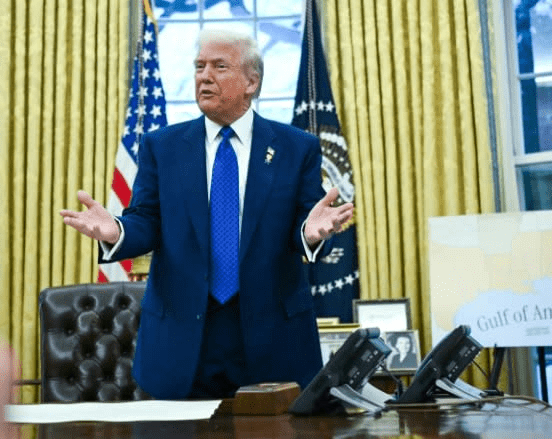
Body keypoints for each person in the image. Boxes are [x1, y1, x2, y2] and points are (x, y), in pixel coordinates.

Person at [60, 29, 353, 400]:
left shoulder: (297, 148)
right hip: (184, 339)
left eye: (219, 66)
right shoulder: (162, 146)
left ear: (251, 82)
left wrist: (310, 236)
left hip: (272, 337)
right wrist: (116, 231)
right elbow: (146, 221)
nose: (204, 76)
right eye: (199, 67)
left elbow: (306, 224)